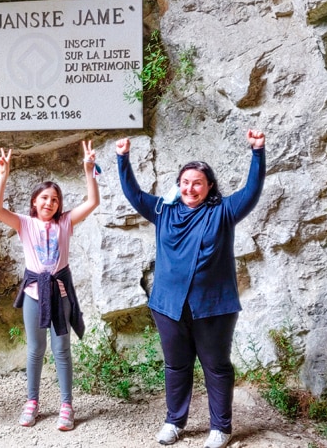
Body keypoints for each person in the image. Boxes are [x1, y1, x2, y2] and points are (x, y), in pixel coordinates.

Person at [116, 130, 266, 448]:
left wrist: (258, 152)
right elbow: (134, 194)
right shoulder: (164, 211)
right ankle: (174, 422)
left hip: (213, 306)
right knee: (176, 366)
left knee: (216, 366)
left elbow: (251, 191)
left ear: (209, 186)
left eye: (197, 182)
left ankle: (220, 428)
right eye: (185, 182)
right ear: (178, 185)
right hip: (169, 305)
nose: (190, 188)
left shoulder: (222, 212)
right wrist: (122, 159)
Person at [0, 140, 100, 431]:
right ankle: (32, 402)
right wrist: (3, 175)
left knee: (61, 348)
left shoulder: (65, 223)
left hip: (60, 292)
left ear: (59, 205)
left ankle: (66, 405)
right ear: (35, 202)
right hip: (34, 293)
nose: (49, 203)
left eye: (54, 199)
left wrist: (88, 170)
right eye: (44, 198)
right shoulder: (24, 223)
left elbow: (92, 203)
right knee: (35, 349)